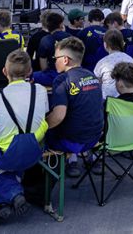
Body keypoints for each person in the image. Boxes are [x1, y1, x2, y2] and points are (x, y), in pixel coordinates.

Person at [0, 50, 48, 227]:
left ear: (4, 71)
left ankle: (12, 193)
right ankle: (1, 202)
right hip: (36, 151)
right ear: (30, 71)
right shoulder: (40, 90)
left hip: (9, 154)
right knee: (10, 156)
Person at [45, 37, 104, 178]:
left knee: (36, 137)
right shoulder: (92, 76)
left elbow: (58, 116)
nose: (54, 61)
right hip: (95, 138)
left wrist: (42, 126)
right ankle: (84, 160)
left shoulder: (62, 79)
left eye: (56, 58)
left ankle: (39, 192)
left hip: (72, 141)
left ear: (65, 60)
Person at [32, 12, 71, 87]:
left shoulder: (45, 40)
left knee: (31, 76)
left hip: (53, 75)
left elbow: (44, 66)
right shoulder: (71, 37)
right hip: (69, 74)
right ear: (60, 25)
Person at [93, 29, 133, 99]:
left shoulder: (102, 63)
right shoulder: (129, 59)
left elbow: (97, 83)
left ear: (105, 44)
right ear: (122, 43)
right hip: (127, 99)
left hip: (108, 102)